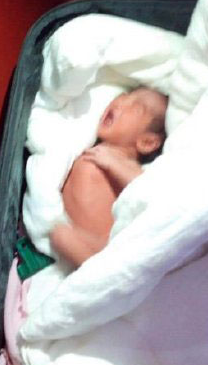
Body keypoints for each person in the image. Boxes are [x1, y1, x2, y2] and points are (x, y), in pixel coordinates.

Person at [50, 87, 168, 267]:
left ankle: (103, 274)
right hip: (85, 239)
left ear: (147, 142)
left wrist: (113, 165)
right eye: (124, 97)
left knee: (60, 236)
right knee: (59, 234)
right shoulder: (89, 146)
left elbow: (145, 191)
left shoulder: (126, 163)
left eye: (135, 108)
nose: (119, 103)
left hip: (108, 245)